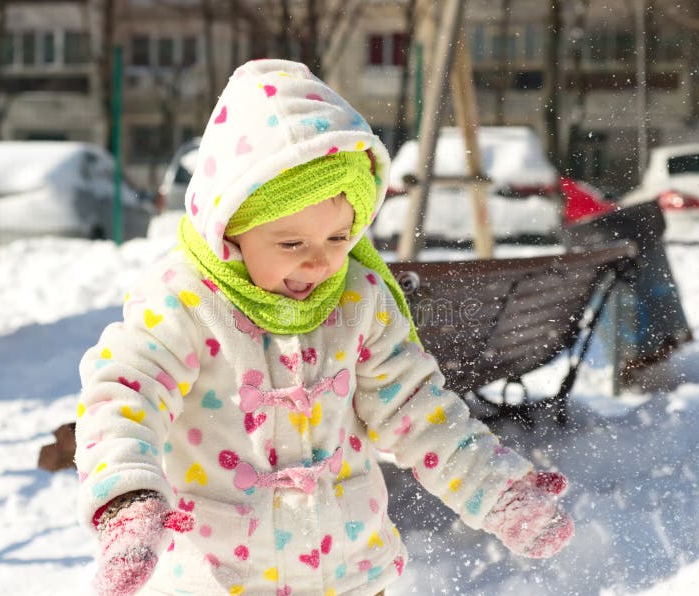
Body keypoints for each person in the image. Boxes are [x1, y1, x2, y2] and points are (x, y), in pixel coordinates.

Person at [75, 59, 574, 596]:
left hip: (349, 574)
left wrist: (497, 491)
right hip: (219, 579)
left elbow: (417, 410)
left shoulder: (358, 299)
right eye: (292, 244)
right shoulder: (184, 302)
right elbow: (125, 394)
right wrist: (129, 500)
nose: (321, 264)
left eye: (339, 239)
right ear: (229, 230)